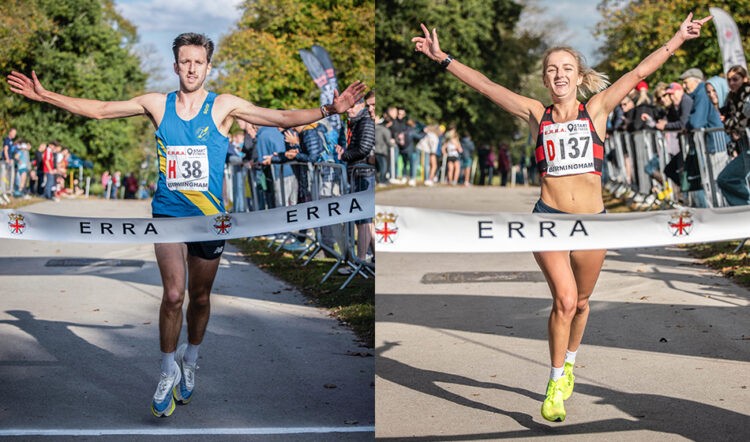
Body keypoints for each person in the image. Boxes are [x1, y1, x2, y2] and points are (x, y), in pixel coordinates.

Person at [7, 32, 366, 418]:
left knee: (200, 299)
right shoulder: (157, 105)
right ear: (175, 65)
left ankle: (190, 358)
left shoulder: (223, 106)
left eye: (198, 62)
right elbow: (100, 109)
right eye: (185, 61)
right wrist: (46, 96)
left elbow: (278, 118)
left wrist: (331, 109)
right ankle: (166, 371)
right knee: (174, 295)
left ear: (208, 67)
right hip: (168, 219)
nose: (191, 68)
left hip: (210, 222)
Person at [412, 13, 711, 422]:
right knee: (565, 300)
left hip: (593, 222)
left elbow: (640, 69)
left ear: (578, 75)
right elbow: (487, 86)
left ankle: (570, 361)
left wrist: (678, 37)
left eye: (566, 68)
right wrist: (443, 58)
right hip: (548, 219)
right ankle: (554, 383)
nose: (558, 75)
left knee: (583, 302)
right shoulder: (537, 113)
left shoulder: (598, 109)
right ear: (544, 78)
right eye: (551, 69)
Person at [716, 66, 750, 206]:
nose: (731, 83)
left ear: (745, 79)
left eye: (735, 79)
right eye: (729, 80)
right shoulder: (732, 98)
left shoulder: (747, 97)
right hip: (744, 145)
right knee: (727, 178)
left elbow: (740, 122)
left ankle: (744, 208)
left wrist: (728, 122)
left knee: (726, 178)